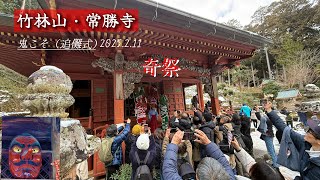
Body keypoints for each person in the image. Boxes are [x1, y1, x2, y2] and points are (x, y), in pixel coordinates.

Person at [264, 101, 320, 180]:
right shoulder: (305, 144)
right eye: (308, 129)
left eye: (311, 131)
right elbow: (284, 129)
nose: (306, 131)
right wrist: (269, 110)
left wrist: (290, 178)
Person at [162, 129, 236, 180]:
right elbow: (223, 162)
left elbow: (169, 170)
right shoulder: (230, 178)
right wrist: (208, 143)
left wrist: (172, 142)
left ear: (197, 177)